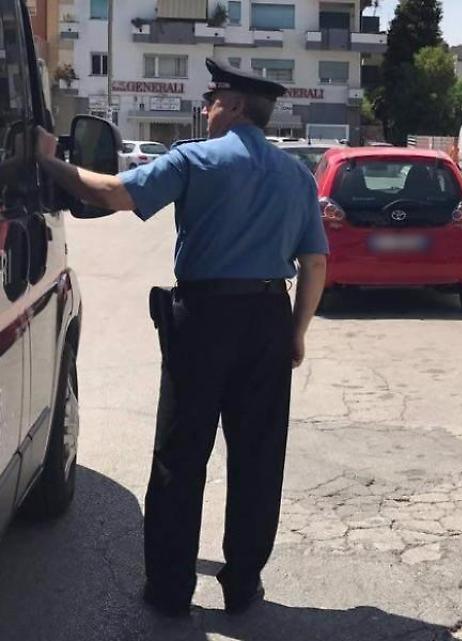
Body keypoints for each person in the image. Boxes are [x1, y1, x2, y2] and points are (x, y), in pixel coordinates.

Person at [34, 59, 329, 617]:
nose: (207, 108)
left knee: (180, 454)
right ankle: (243, 585)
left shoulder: (195, 157)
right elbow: (314, 263)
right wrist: (296, 334)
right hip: (268, 316)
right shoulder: (297, 176)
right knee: (258, 459)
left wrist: (48, 162)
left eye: (214, 99)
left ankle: (170, 591)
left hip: (204, 317)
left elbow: (112, 193)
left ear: (236, 106)